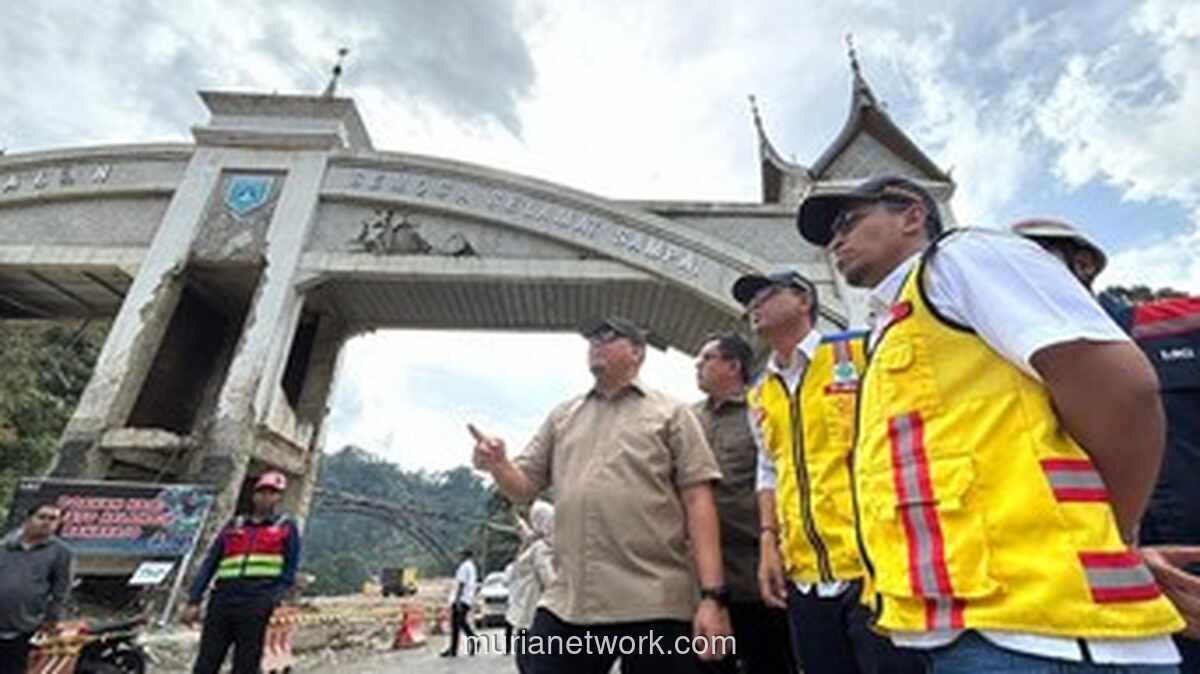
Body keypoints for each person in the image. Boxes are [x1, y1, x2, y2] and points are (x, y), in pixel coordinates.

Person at [795, 175, 1185, 673]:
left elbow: (1119, 389)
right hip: (973, 630)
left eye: (848, 221)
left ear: (913, 215)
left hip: (1045, 637)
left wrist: (1116, 534)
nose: (835, 241)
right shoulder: (895, 326)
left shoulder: (961, 259)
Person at [470, 316, 732, 674]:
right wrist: (498, 464)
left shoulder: (672, 414)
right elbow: (524, 486)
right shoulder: (563, 417)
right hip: (573, 599)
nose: (596, 343)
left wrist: (714, 598)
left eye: (608, 337)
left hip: (655, 597)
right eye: (592, 338)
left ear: (637, 353)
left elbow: (699, 503)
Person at [1014, 217, 1200, 670]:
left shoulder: (1176, 324)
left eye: (1029, 260)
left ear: (1081, 264)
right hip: (1105, 590)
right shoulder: (1011, 368)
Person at [731, 271, 923, 674]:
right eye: (750, 301)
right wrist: (769, 541)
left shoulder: (860, 352)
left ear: (803, 299)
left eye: (765, 295)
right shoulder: (760, 391)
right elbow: (769, 468)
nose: (754, 307)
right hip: (804, 578)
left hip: (874, 570)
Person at [692, 331, 797, 674]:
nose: (698, 364)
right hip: (706, 583)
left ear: (733, 365)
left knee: (767, 662)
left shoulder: (761, 411)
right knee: (713, 663)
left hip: (757, 579)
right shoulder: (688, 420)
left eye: (707, 358)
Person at [183, 471, 301, 674]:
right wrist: (194, 600)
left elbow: (290, 568)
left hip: (257, 603)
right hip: (223, 600)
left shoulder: (286, 527)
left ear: (278, 497)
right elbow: (210, 563)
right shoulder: (234, 526)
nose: (267, 497)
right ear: (254, 495)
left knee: (246, 663)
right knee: (207, 661)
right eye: (263, 492)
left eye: (273, 493)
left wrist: (277, 599)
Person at [0, 499, 72, 674]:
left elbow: (60, 590)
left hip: (23, 626)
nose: (47, 522)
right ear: (28, 519)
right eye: (42, 517)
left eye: (53, 519)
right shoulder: (5, 545)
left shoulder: (60, 553)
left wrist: (51, 620)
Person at [507, 501, 557, 673]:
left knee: (528, 665)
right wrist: (515, 515)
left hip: (531, 617)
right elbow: (525, 533)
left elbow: (550, 581)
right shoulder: (540, 544)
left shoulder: (541, 549)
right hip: (529, 617)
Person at [440, 548, 479, 657]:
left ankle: (472, 641)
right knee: (459, 624)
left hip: (461, 599)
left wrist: (457, 600)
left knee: (458, 624)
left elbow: (461, 584)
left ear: (464, 555)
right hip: (467, 599)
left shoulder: (464, 567)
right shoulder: (471, 567)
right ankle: (454, 648)